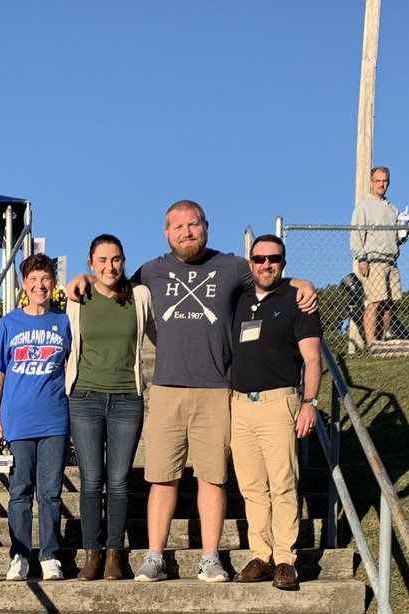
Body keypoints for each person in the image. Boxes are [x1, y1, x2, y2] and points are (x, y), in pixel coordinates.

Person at [68, 200, 317, 582]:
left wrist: (303, 283)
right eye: (178, 226)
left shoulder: (232, 266)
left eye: (194, 225)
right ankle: (154, 556)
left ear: (206, 227)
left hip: (217, 389)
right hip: (167, 388)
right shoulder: (151, 271)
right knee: (162, 478)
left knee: (213, 477)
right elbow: (112, 284)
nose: (187, 232)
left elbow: (270, 278)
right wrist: (79, 281)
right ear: (166, 233)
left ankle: (211, 557)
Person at [230, 235, 322, 591]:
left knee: (283, 484)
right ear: (250, 262)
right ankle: (261, 555)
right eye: (259, 259)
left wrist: (309, 403)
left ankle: (285, 559)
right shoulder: (238, 300)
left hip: (278, 402)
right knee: (252, 487)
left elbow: (312, 358)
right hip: (239, 404)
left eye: (274, 259)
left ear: (283, 263)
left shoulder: (297, 301)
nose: (266, 264)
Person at [65, 235, 155, 580]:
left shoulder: (140, 296)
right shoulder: (79, 296)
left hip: (126, 399)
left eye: (115, 259)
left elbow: (161, 335)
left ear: (124, 261)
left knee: (118, 481)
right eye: (101, 260)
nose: (109, 266)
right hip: (85, 398)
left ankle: (116, 553)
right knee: (91, 480)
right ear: (90, 264)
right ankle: (92, 553)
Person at [0, 253, 72, 581]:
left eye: (46, 279)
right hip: (17, 420)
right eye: (33, 280)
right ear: (24, 284)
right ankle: (19, 555)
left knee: (50, 491)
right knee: (20, 489)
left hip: (54, 420)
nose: (40, 285)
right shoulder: (10, 323)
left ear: (53, 282)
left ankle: (49, 555)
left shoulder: (64, 322)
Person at [349, 166, 403, 349]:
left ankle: (382, 341)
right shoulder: (364, 206)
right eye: (378, 181)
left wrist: (404, 232)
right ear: (371, 183)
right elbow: (356, 235)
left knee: (389, 304)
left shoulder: (392, 208)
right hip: (374, 261)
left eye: (385, 181)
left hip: (391, 260)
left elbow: (397, 238)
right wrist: (362, 258)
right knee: (374, 302)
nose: (382, 184)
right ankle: (371, 343)